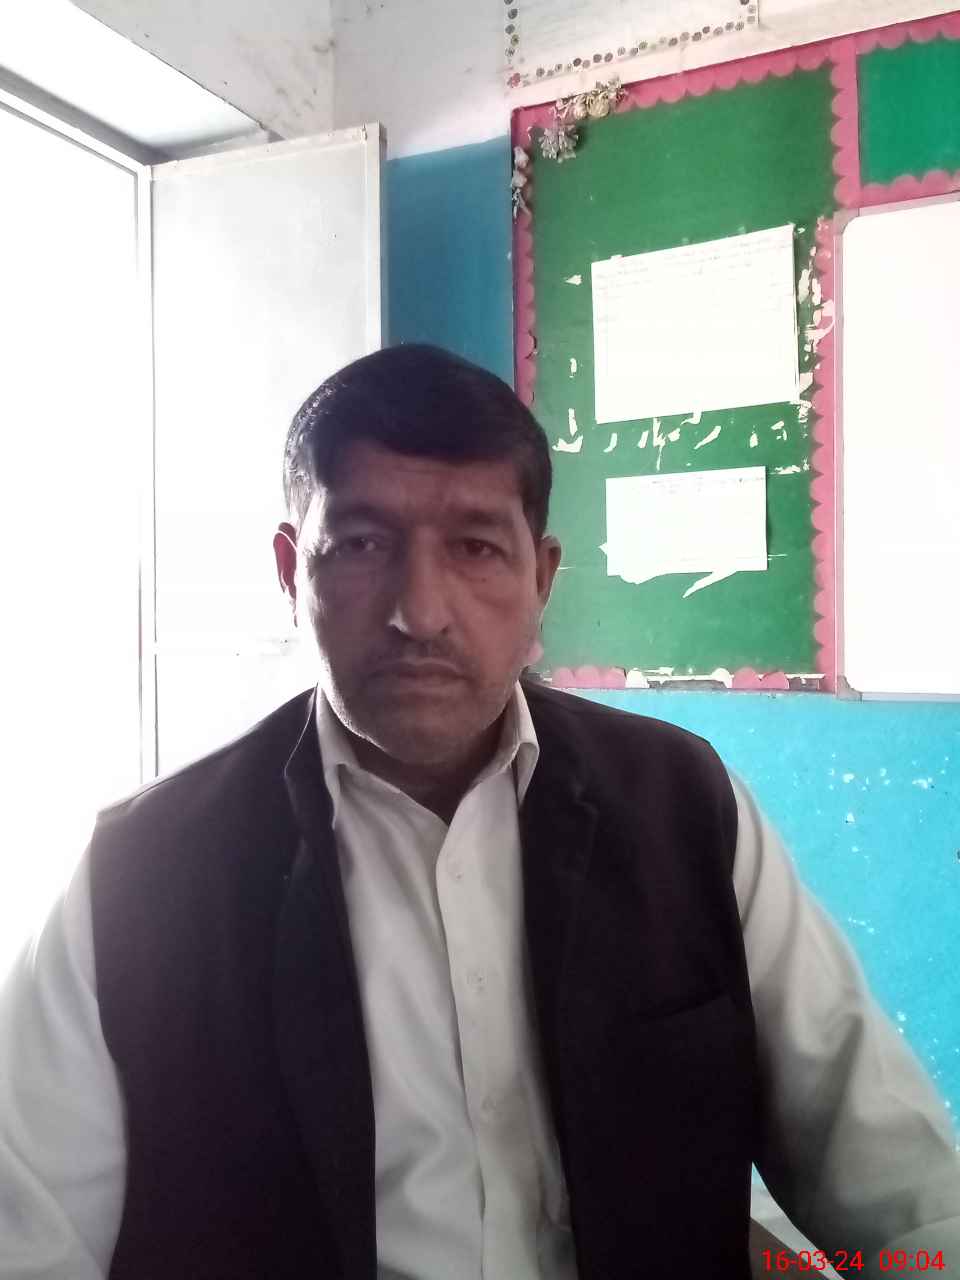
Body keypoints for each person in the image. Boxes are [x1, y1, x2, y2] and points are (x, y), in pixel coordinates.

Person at [0, 344, 957, 1280]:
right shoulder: (143, 876)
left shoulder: (682, 806)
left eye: (476, 548)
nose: (421, 612)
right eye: (363, 544)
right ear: (292, 571)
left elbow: (897, 1185)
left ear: (541, 579)